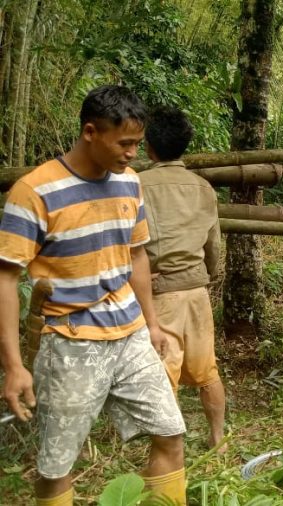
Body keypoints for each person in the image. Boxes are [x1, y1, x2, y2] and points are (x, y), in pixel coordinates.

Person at [0, 85, 186, 505]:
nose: (133, 153)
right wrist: (13, 366)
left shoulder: (130, 183)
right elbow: (6, 279)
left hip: (130, 333)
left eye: (137, 143)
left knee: (170, 431)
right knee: (57, 466)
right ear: (90, 132)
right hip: (70, 340)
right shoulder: (34, 192)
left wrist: (152, 324)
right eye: (124, 143)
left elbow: (136, 255)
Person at [138, 106, 226, 453]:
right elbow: (214, 244)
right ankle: (218, 439)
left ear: (149, 147)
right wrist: (207, 274)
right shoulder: (204, 188)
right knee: (207, 371)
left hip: (161, 291)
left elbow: (127, 244)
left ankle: (168, 452)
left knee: (163, 373)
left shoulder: (137, 185)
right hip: (196, 289)